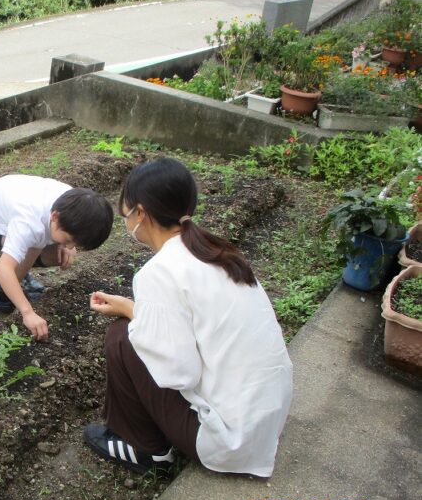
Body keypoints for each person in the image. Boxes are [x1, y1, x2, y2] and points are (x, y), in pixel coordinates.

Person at [85, 158, 292, 478]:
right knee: (133, 328)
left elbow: (180, 374)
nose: (127, 223)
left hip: (228, 440)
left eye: (126, 215)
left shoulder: (159, 272)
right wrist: (132, 308)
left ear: (141, 214)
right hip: (264, 420)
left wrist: (141, 327)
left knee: (121, 339)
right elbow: (194, 324)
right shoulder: (216, 251)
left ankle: (147, 452)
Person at [0, 174, 113, 340]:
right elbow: (4, 268)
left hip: (11, 203)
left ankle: (20, 271)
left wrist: (66, 244)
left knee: (58, 255)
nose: (71, 247)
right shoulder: (29, 224)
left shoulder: (77, 204)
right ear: (55, 217)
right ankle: (0, 299)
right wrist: (28, 313)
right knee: (32, 245)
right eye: (69, 240)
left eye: (75, 243)